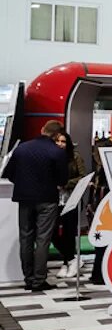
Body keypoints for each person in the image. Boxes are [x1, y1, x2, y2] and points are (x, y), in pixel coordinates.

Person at [1, 121, 68, 291]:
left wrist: (24, 184)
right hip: (47, 199)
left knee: (26, 238)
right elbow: (62, 180)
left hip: (24, 199)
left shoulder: (22, 148)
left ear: (42, 129)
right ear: (57, 134)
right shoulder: (57, 152)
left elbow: (9, 174)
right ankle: (39, 280)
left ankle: (28, 278)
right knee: (43, 240)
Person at [53, 132, 86, 279]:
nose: (60, 144)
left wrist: (66, 184)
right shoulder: (50, 157)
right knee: (52, 232)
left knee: (68, 232)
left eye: (63, 141)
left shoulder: (75, 157)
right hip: (54, 200)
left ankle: (67, 263)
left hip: (71, 199)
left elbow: (82, 176)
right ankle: (72, 259)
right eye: (57, 141)